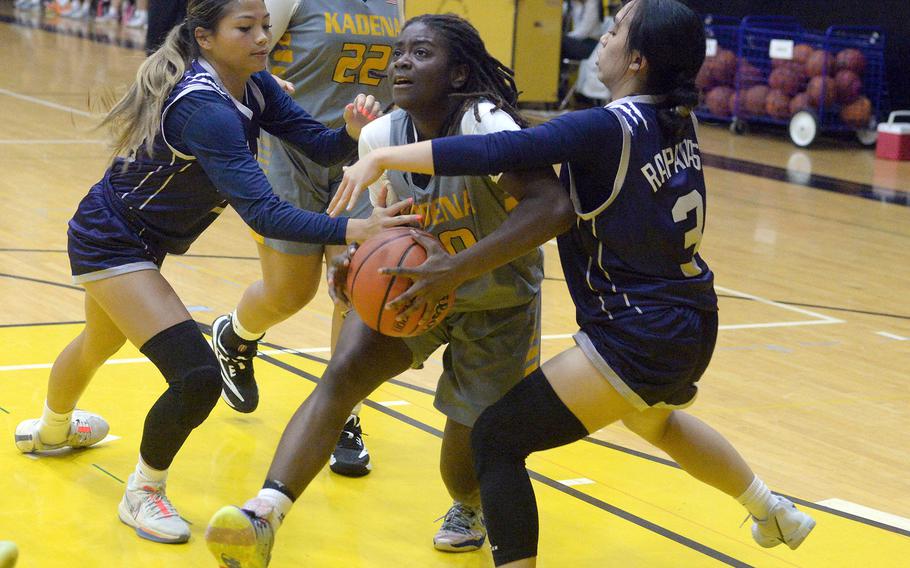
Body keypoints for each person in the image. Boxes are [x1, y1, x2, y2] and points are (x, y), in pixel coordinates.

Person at [332, 0, 818, 565]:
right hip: (693, 321)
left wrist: (382, 153)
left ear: (636, 59)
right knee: (654, 421)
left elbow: (501, 148)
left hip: (635, 332)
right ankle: (769, 508)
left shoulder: (606, 126)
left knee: (496, 440)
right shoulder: (675, 118)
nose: (602, 41)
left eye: (613, 31)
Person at [13, 0, 416, 546]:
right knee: (197, 376)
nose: (261, 38)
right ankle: (143, 491)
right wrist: (354, 232)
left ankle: (51, 430)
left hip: (138, 236)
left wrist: (348, 132)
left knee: (96, 341)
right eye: (244, 28)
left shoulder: (255, 84)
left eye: (265, 27)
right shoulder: (206, 109)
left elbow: (319, 148)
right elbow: (266, 214)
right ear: (204, 37)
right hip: (110, 240)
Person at [204, 13, 573, 566]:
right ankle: (265, 513)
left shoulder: (486, 124)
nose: (401, 61)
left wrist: (457, 268)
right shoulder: (381, 135)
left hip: (497, 302)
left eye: (421, 53)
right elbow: (383, 222)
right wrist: (355, 261)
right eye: (399, 51)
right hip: (414, 290)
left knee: (463, 461)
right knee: (342, 374)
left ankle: (467, 505)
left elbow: (555, 208)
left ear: (457, 74)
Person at [208, 0, 402, 480]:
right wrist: (261, 87)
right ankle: (235, 335)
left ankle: (342, 415)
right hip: (290, 148)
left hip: (362, 150)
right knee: (290, 293)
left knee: (359, 286)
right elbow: (236, 56)